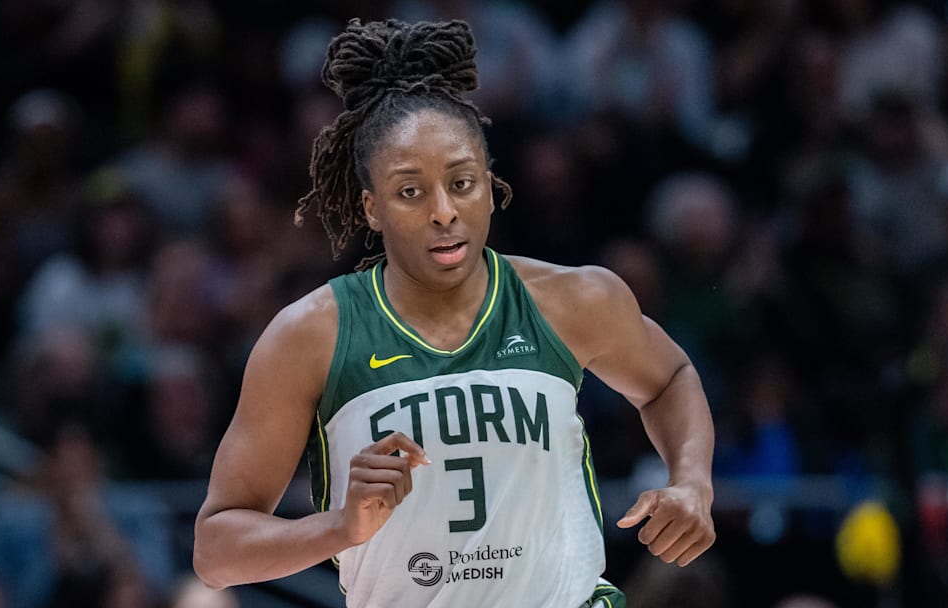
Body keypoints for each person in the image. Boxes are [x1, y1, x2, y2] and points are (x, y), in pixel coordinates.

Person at [193, 18, 715, 608]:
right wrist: (340, 528)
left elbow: (670, 378)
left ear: (490, 188)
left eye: (463, 183)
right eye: (411, 191)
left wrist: (692, 481)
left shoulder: (573, 300)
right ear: (371, 208)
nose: (444, 211)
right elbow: (215, 550)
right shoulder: (311, 334)